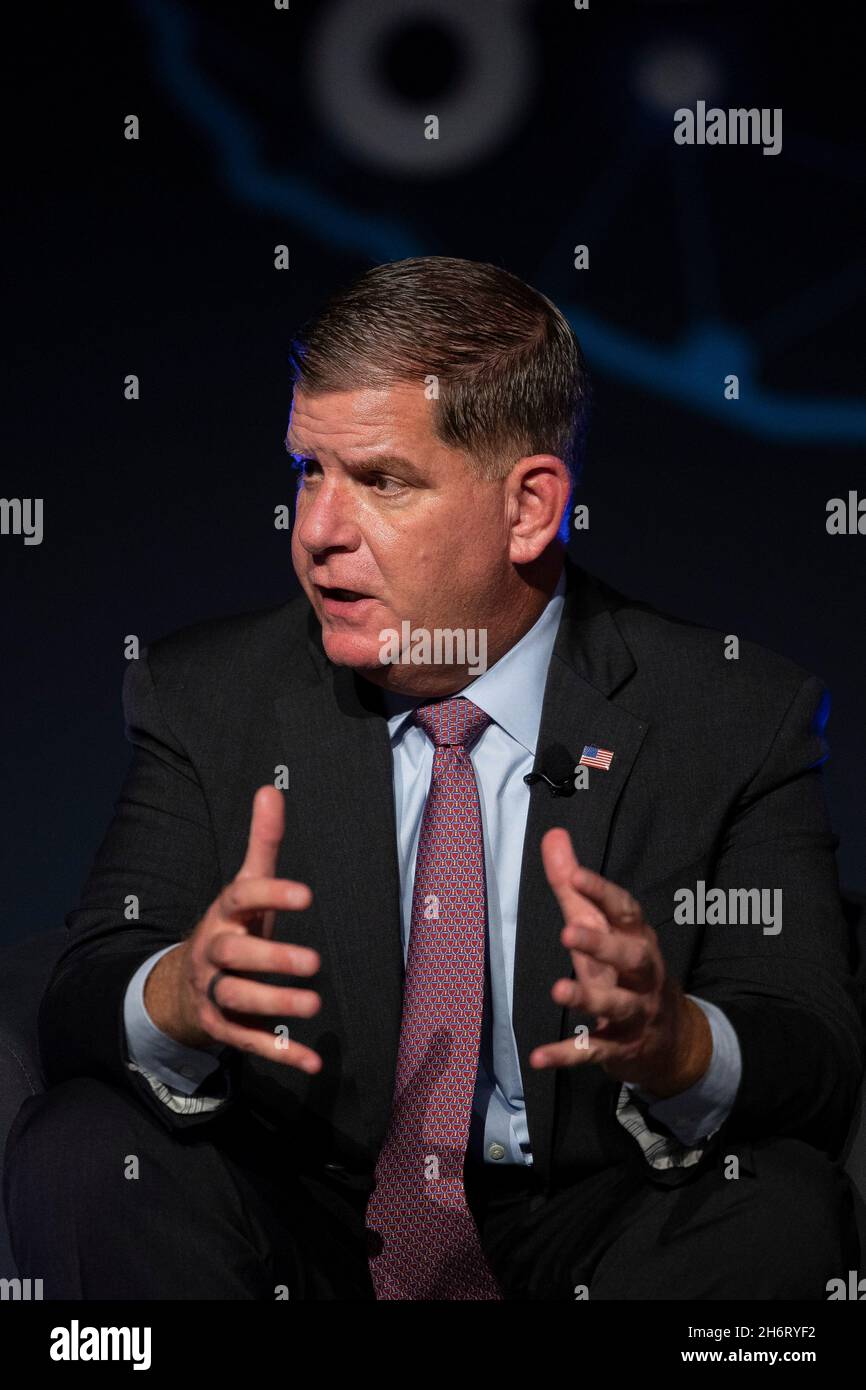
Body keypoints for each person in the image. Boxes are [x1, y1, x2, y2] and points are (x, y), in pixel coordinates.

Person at [5, 257, 863, 1300]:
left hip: (600, 1215)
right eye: (305, 470)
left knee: (772, 1206)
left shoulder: (732, 715)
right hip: (298, 1215)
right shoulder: (206, 694)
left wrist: (676, 1040)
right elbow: (84, 990)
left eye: (378, 480)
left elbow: (810, 1043)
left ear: (528, 508)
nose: (316, 530)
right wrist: (178, 988)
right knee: (86, 1149)